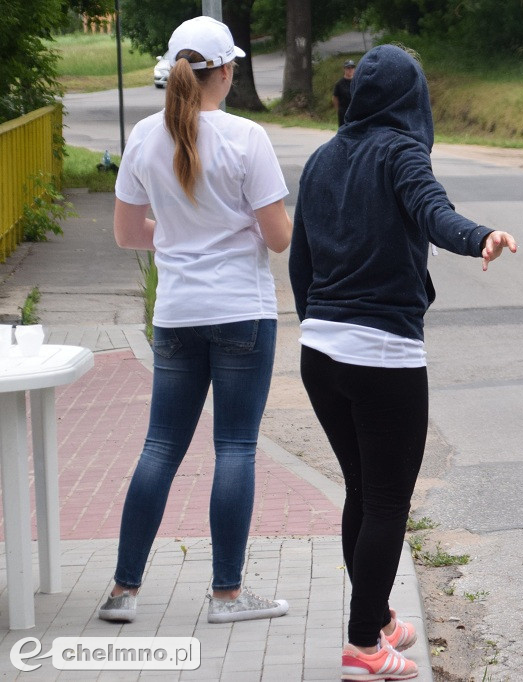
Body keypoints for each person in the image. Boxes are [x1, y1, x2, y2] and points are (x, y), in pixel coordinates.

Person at [289, 44, 517, 680]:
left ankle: (380, 615)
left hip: (321, 355)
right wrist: (482, 238)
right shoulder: (401, 151)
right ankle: (364, 643)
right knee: (388, 499)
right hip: (382, 355)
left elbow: (300, 263)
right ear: (411, 100)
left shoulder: (321, 157)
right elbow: (432, 212)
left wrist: (321, 324)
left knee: (362, 488)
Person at [98, 16, 293, 625]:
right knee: (235, 446)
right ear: (227, 72)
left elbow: (129, 234)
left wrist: (182, 236)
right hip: (242, 312)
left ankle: (122, 592)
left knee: (159, 446)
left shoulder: (142, 137)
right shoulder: (247, 138)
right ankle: (227, 596)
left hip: (177, 315)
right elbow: (279, 239)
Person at [333, 59, 356, 127]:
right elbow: (335, 98)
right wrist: (338, 110)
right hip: (343, 113)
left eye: (352, 68)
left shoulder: (357, 82)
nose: (350, 70)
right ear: (344, 69)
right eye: (348, 68)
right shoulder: (339, 84)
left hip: (354, 112)